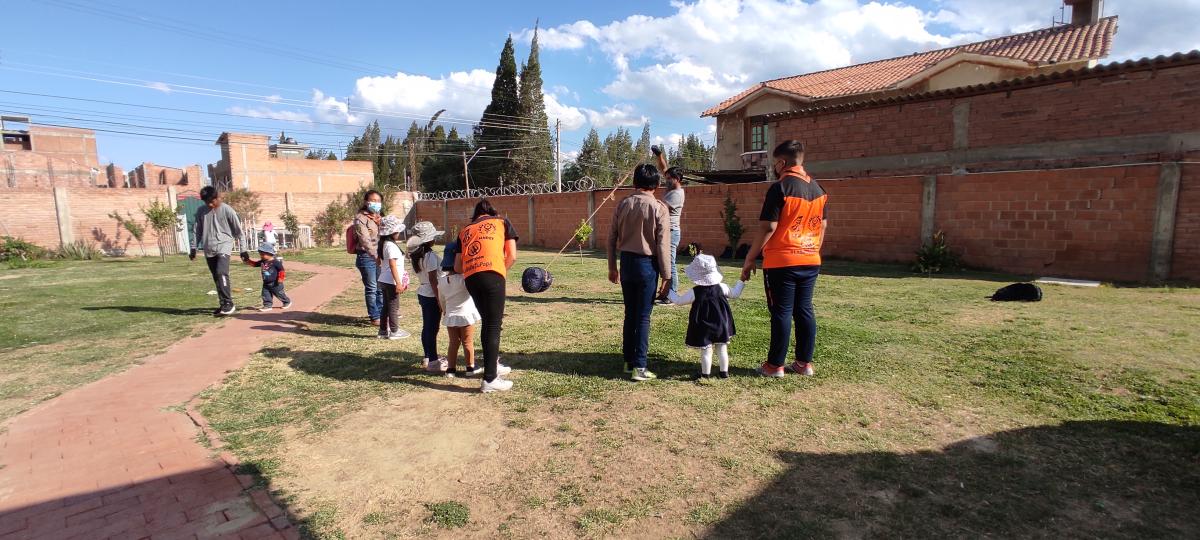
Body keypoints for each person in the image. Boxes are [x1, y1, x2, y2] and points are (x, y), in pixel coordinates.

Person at [740, 140, 828, 378]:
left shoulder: (780, 188)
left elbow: (768, 227)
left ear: (781, 162)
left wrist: (750, 257)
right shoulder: (819, 190)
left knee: (782, 311)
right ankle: (804, 364)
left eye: (774, 163)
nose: (774, 168)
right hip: (810, 258)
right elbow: (822, 226)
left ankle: (774, 365)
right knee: (804, 309)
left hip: (782, 261)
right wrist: (812, 250)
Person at [608, 164, 672, 382]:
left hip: (626, 263)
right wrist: (667, 275)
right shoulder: (659, 208)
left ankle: (628, 361)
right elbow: (663, 245)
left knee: (630, 313)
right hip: (647, 265)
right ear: (657, 184)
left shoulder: (623, 204)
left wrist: (612, 266)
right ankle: (640, 366)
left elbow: (611, 238)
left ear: (634, 182)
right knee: (643, 316)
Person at [455, 199, 518, 393]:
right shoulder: (501, 222)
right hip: (492, 275)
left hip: (471, 278)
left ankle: (493, 364)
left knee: (488, 323)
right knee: (493, 325)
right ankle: (490, 379)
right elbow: (512, 255)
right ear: (492, 212)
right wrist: (499, 272)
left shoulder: (464, 231)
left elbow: (457, 266)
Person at [667, 254, 746, 379]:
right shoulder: (722, 287)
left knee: (706, 351)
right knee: (722, 349)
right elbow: (735, 294)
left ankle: (705, 374)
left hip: (703, 326)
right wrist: (741, 280)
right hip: (721, 325)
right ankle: (724, 373)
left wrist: (668, 292)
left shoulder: (695, 291)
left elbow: (679, 301)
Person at [191, 186, 242, 316]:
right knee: (216, 277)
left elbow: (238, 231)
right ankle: (223, 304)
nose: (209, 204)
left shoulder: (227, 210)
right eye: (206, 202)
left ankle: (229, 303)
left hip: (224, 245)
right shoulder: (201, 211)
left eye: (211, 201)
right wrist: (193, 248)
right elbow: (197, 231)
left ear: (217, 197)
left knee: (221, 272)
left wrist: (244, 250)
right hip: (209, 248)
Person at [438, 240, 481, 378]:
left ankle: (450, 370)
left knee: (453, 343)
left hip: (450, 316)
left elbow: (442, 300)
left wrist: (445, 310)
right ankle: (470, 368)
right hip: (466, 315)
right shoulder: (464, 279)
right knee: (467, 342)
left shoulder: (442, 281)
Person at [407, 221, 446, 372]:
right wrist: (439, 299)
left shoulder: (416, 256)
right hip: (431, 294)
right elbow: (433, 279)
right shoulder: (429, 256)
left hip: (423, 292)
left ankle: (428, 356)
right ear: (428, 240)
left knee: (427, 327)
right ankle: (433, 361)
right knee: (432, 328)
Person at [652, 145, 686, 305]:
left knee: (670, 263)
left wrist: (646, 198)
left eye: (669, 179)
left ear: (677, 179)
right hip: (666, 231)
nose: (666, 180)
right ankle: (664, 292)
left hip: (671, 232)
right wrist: (659, 155)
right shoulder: (671, 186)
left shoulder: (677, 194)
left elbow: (661, 208)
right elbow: (663, 168)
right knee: (663, 262)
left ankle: (672, 295)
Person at [353, 190, 385, 325]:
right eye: (373, 200)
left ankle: (382, 313)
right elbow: (365, 241)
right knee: (371, 288)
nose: (376, 203)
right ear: (366, 202)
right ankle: (374, 316)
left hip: (380, 255)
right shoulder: (360, 218)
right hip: (366, 256)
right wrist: (375, 256)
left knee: (380, 287)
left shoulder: (380, 217)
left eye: (378, 201)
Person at [376, 215, 410, 340]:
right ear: (392, 232)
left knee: (386, 306)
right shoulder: (391, 246)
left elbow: (378, 261)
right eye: (397, 231)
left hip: (383, 279)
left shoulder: (383, 244)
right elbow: (392, 265)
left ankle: (383, 330)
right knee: (393, 307)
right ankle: (394, 331)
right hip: (391, 281)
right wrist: (398, 283)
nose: (399, 233)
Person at [242, 242, 291, 312]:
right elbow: (254, 264)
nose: (261, 256)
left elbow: (281, 270)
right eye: (260, 254)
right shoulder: (262, 261)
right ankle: (267, 305)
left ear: (270, 253)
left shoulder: (276, 262)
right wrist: (247, 260)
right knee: (265, 294)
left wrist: (280, 278)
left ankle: (287, 302)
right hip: (266, 282)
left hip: (275, 283)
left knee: (279, 294)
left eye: (263, 254)